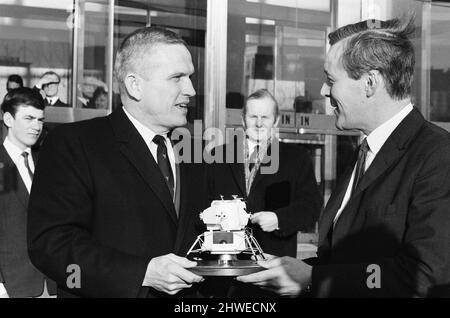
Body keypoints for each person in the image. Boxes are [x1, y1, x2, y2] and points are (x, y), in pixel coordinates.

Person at [237, 17, 450, 298]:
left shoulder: (437, 155)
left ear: (370, 82)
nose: (324, 91)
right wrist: (296, 269)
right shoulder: (363, 152)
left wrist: (315, 278)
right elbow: (348, 258)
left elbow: (423, 276)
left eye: (330, 80)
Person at [27, 27, 205, 298]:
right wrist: (141, 273)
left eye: (190, 77)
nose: (191, 89)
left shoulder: (195, 149)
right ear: (135, 85)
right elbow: (51, 245)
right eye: (177, 77)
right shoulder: (75, 144)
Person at [205, 89, 322, 297]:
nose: (259, 124)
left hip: (272, 275)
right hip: (223, 275)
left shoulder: (296, 158)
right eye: (253, 117)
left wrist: (279, 218)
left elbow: (311, 207)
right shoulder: (217, 155)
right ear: (243, 119)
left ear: (275, 121)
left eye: (265, 117)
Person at [0, 87, 56, 297]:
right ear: (8, 119)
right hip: (11, 286)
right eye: (29, 118)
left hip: (49, 283)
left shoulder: (47, 164)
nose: (36, 127)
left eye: (40, 120)